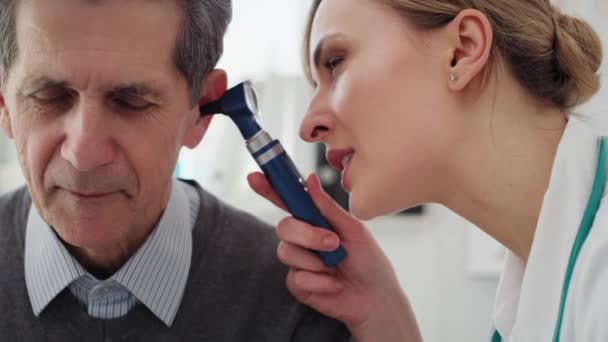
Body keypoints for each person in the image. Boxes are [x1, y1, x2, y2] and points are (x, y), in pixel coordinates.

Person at [248, 0, 605, 341]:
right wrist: (384, 316)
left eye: (336, 63)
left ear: (462, 50)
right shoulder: (538, 284)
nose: (308, 126)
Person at [0, 0, 351, 341]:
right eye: (48, 96)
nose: (84, 156)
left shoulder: (300, 300)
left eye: (131, 101)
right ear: (4, 103)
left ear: (200, 111)